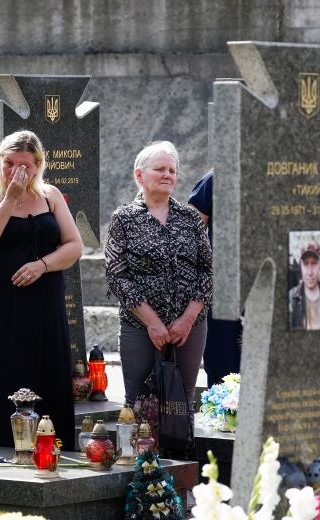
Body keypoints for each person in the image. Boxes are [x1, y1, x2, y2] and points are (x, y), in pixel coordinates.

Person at [0, 130, 82, 450]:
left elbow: (74, 247)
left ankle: (51, 449)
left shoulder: (51, 195)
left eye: (25, 165)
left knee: (46, 377)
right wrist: (10, 198)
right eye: (8, 162)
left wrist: (42, 265)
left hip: (43, 305)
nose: (16, 171)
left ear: (38, 164)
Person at [105, 141, 212, 452]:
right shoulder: (124, 219)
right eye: (160, 169)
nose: (167, 175)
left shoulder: (190, 219)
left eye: (172, 170)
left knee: (182, 401)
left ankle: (180, 479)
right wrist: (152, 322)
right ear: (140, 174)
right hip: (140, 329)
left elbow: (208, 271)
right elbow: (117, 273)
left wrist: (188, 318)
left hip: (189, 329)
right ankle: (140, 481)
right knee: (137, 403)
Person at [187, 169, 242, 387]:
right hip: (224, 294)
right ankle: (226, 419)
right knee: (225, 371)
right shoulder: (216, 178)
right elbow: (189, 234)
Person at [289, 241, 320, 330]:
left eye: (314, 263)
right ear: (301, 266)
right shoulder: (291, 297)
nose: (310, 272)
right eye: (306, 264)